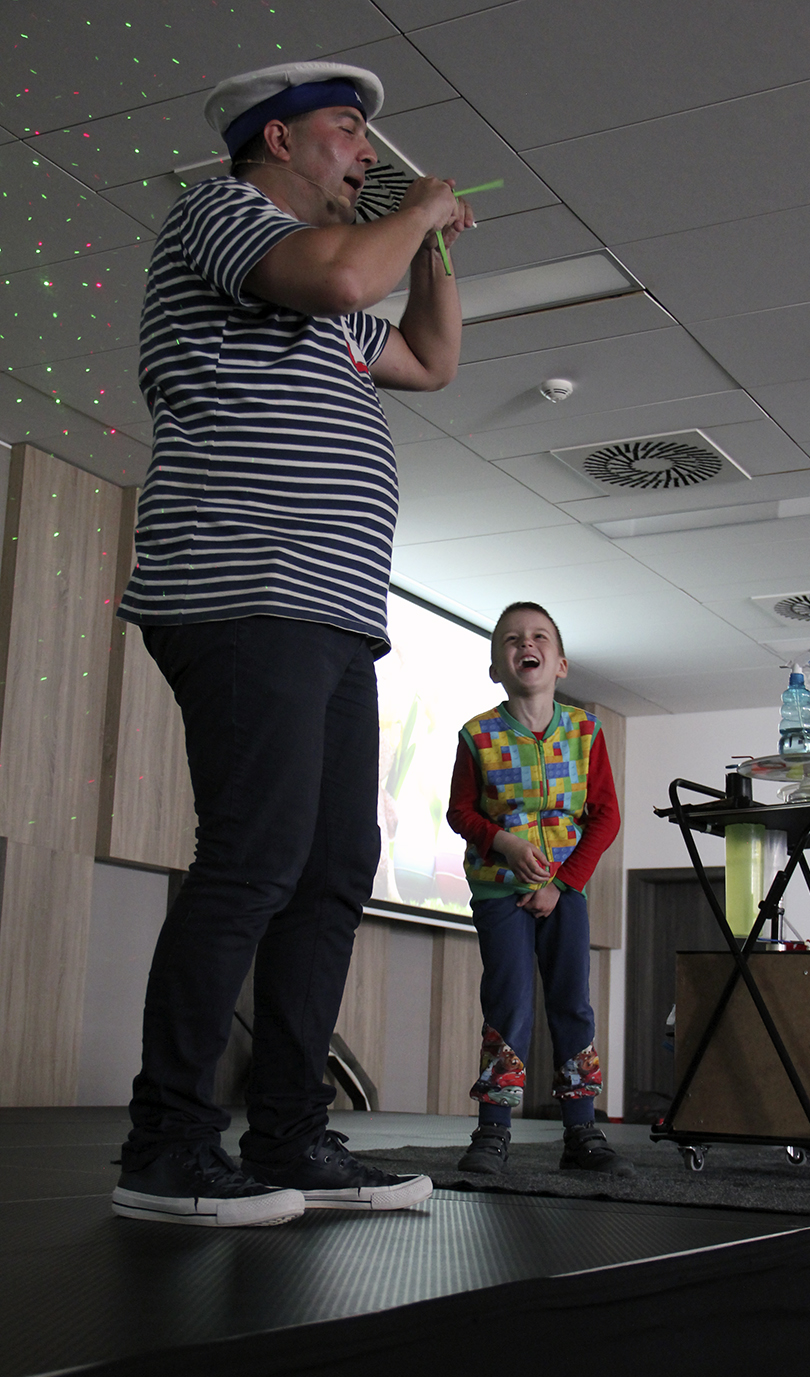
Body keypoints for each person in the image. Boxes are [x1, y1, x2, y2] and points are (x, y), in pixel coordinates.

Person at [111, 59, 474, 1228]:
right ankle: (167, 1148)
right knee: (254, 860)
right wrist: (420, 203)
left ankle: (289, 1138)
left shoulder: (331, 292)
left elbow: (431, 359)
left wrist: (433, 247)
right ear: (275, 139)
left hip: (329, 613)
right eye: (347, 130)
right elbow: (346, 273)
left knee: (329, 873)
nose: (366, 153)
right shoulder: (220, 213)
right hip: (241, 589)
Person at [446, 602, 634, 1176]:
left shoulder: (585, 731)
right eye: (511, 639)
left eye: (538, 637)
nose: (525, 645)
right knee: (508, 1003)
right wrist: (503, 843)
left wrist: (563, 883)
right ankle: (493, 1131)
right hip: (498, 890)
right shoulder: (477, 734)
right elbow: (460, 812)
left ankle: (581, 1131)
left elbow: (605, 816)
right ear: (495, 668)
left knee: (571, 1003)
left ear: (561, 665)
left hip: (564, 893)